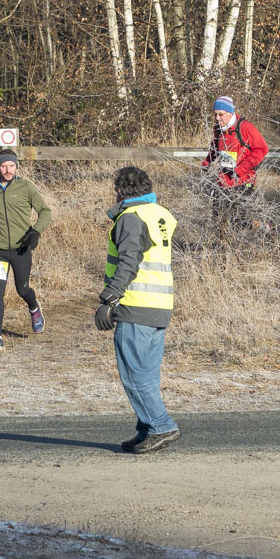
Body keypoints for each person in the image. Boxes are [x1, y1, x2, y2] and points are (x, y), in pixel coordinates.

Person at [96, 166, 180, 455]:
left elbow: (128, 262)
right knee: (147, 374)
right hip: (160, 305)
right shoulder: (159, 214)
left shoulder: (131, 218)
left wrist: (109, 299)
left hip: (136, 305)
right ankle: (147, 428)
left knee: (134, 374)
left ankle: (161, 425)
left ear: (120, 191)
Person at [0, 150, 51, 352]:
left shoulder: (26, 187)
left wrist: (35, 233)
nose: (8, 170)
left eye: (11, 166)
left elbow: (45, 212)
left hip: (21, 248)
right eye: (4, 166)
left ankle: (34, 308)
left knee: (22, 289)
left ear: (16, 167)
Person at [201, 96, 269, 228]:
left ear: (230, 113)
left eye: (221, 114)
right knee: (218, 219)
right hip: (223, 181)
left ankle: (263, 228)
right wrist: (207, 162)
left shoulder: (245, 127)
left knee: (238, 222)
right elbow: (215, 147)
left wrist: (240, 170)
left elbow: (262, 149)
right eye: (215, 114)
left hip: (243, 181)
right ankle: (222, 246)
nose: (217, 118)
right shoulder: (218, 129)